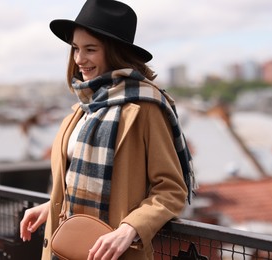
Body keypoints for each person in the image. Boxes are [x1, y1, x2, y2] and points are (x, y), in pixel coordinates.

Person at [19, 0, 195, 259]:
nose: (79, 59)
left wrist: (131, 228)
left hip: (114, 253)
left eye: (90, 49)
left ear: (115, 52)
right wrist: (52, 205)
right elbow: (75, 180)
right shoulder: (81, 109)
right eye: (76, 48)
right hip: (66, 248)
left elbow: (170, 189)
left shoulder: (145, 107)